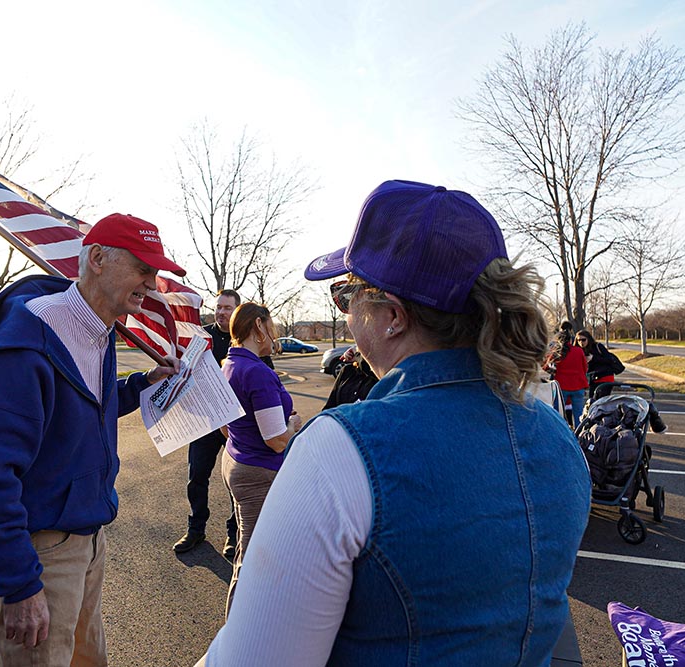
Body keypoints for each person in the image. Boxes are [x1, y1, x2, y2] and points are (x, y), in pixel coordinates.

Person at [197, 180, 590, 666]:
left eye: (346, 296)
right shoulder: (558, 438)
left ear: (392, 316)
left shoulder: (339, 450)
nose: (346, 316)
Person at [0, 213, 182, 665]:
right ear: (97, 258)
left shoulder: (98, 329)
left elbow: (85, 407)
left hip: (87, 541)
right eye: (142, 268)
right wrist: (19, 584)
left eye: (155, 272)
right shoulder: (25, 345)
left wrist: (142, 384)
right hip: (39, 554)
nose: (151, 284)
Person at [220, 302, 302, 617]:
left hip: (236, 460)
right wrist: (293, 425)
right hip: (258, 472)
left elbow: (225, 427)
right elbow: (277, 441)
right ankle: (236, 633)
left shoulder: (230, 364)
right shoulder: (256, 372)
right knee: (252, 559)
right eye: (271, 327)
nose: (274, 334)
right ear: (258, 326)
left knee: (249, 547)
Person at [173, 289, 241, 559]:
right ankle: (196, 529)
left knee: (234, 480)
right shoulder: (201, 337)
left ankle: (235, 533)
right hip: (205, 422)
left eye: (227, 308)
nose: (221, 312)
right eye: (219, 307)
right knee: (197, 477)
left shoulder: (244, 337)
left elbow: (264, 371)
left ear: (236, 311)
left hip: (235, 424)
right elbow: (185, 371)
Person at [543, 330, 588, 427]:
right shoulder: (578, 350)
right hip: (578, 384)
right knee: (579, 414)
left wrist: (554, 372)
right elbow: (585, 367)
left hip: (561, 385)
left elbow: (545, 365)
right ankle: (578, 433)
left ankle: (561, 430)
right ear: (571, 340)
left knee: (559, 413)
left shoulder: (557, 352)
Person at [322, 344, 378, 409]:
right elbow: (331, 404)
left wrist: (358, 356)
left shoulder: (379, 375)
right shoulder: (347, 371)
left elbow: (366, 367)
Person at [576, 329, 619, 398]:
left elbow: (609, 359)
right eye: (579, 340)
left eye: (583, 340)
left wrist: (593, 358)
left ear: (588, 339)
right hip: (593, 378)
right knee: (592, 399)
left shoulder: (597, 346)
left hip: (605, 376)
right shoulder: (579, 350)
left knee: (602, 400)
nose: (581, 342)